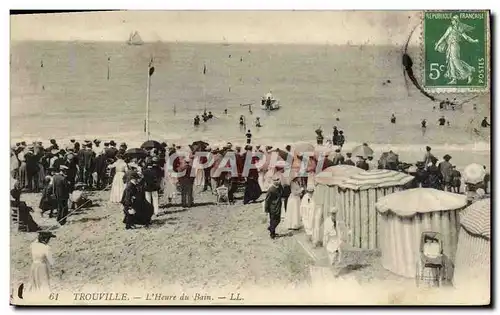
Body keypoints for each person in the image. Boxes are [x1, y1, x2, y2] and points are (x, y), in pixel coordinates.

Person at [434, 15, 478, 84]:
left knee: (455, 61)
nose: (452, 21)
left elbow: (466, 38)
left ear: (456, 21)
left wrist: (474, 41)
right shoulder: (450, 28)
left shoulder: (459, 29)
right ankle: (454, 79)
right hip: (450, 46)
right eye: (452, 20)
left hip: (455, 46)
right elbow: (444, 36)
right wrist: (438, 44)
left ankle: (468, 74)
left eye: (453, 20)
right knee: (451, 61)